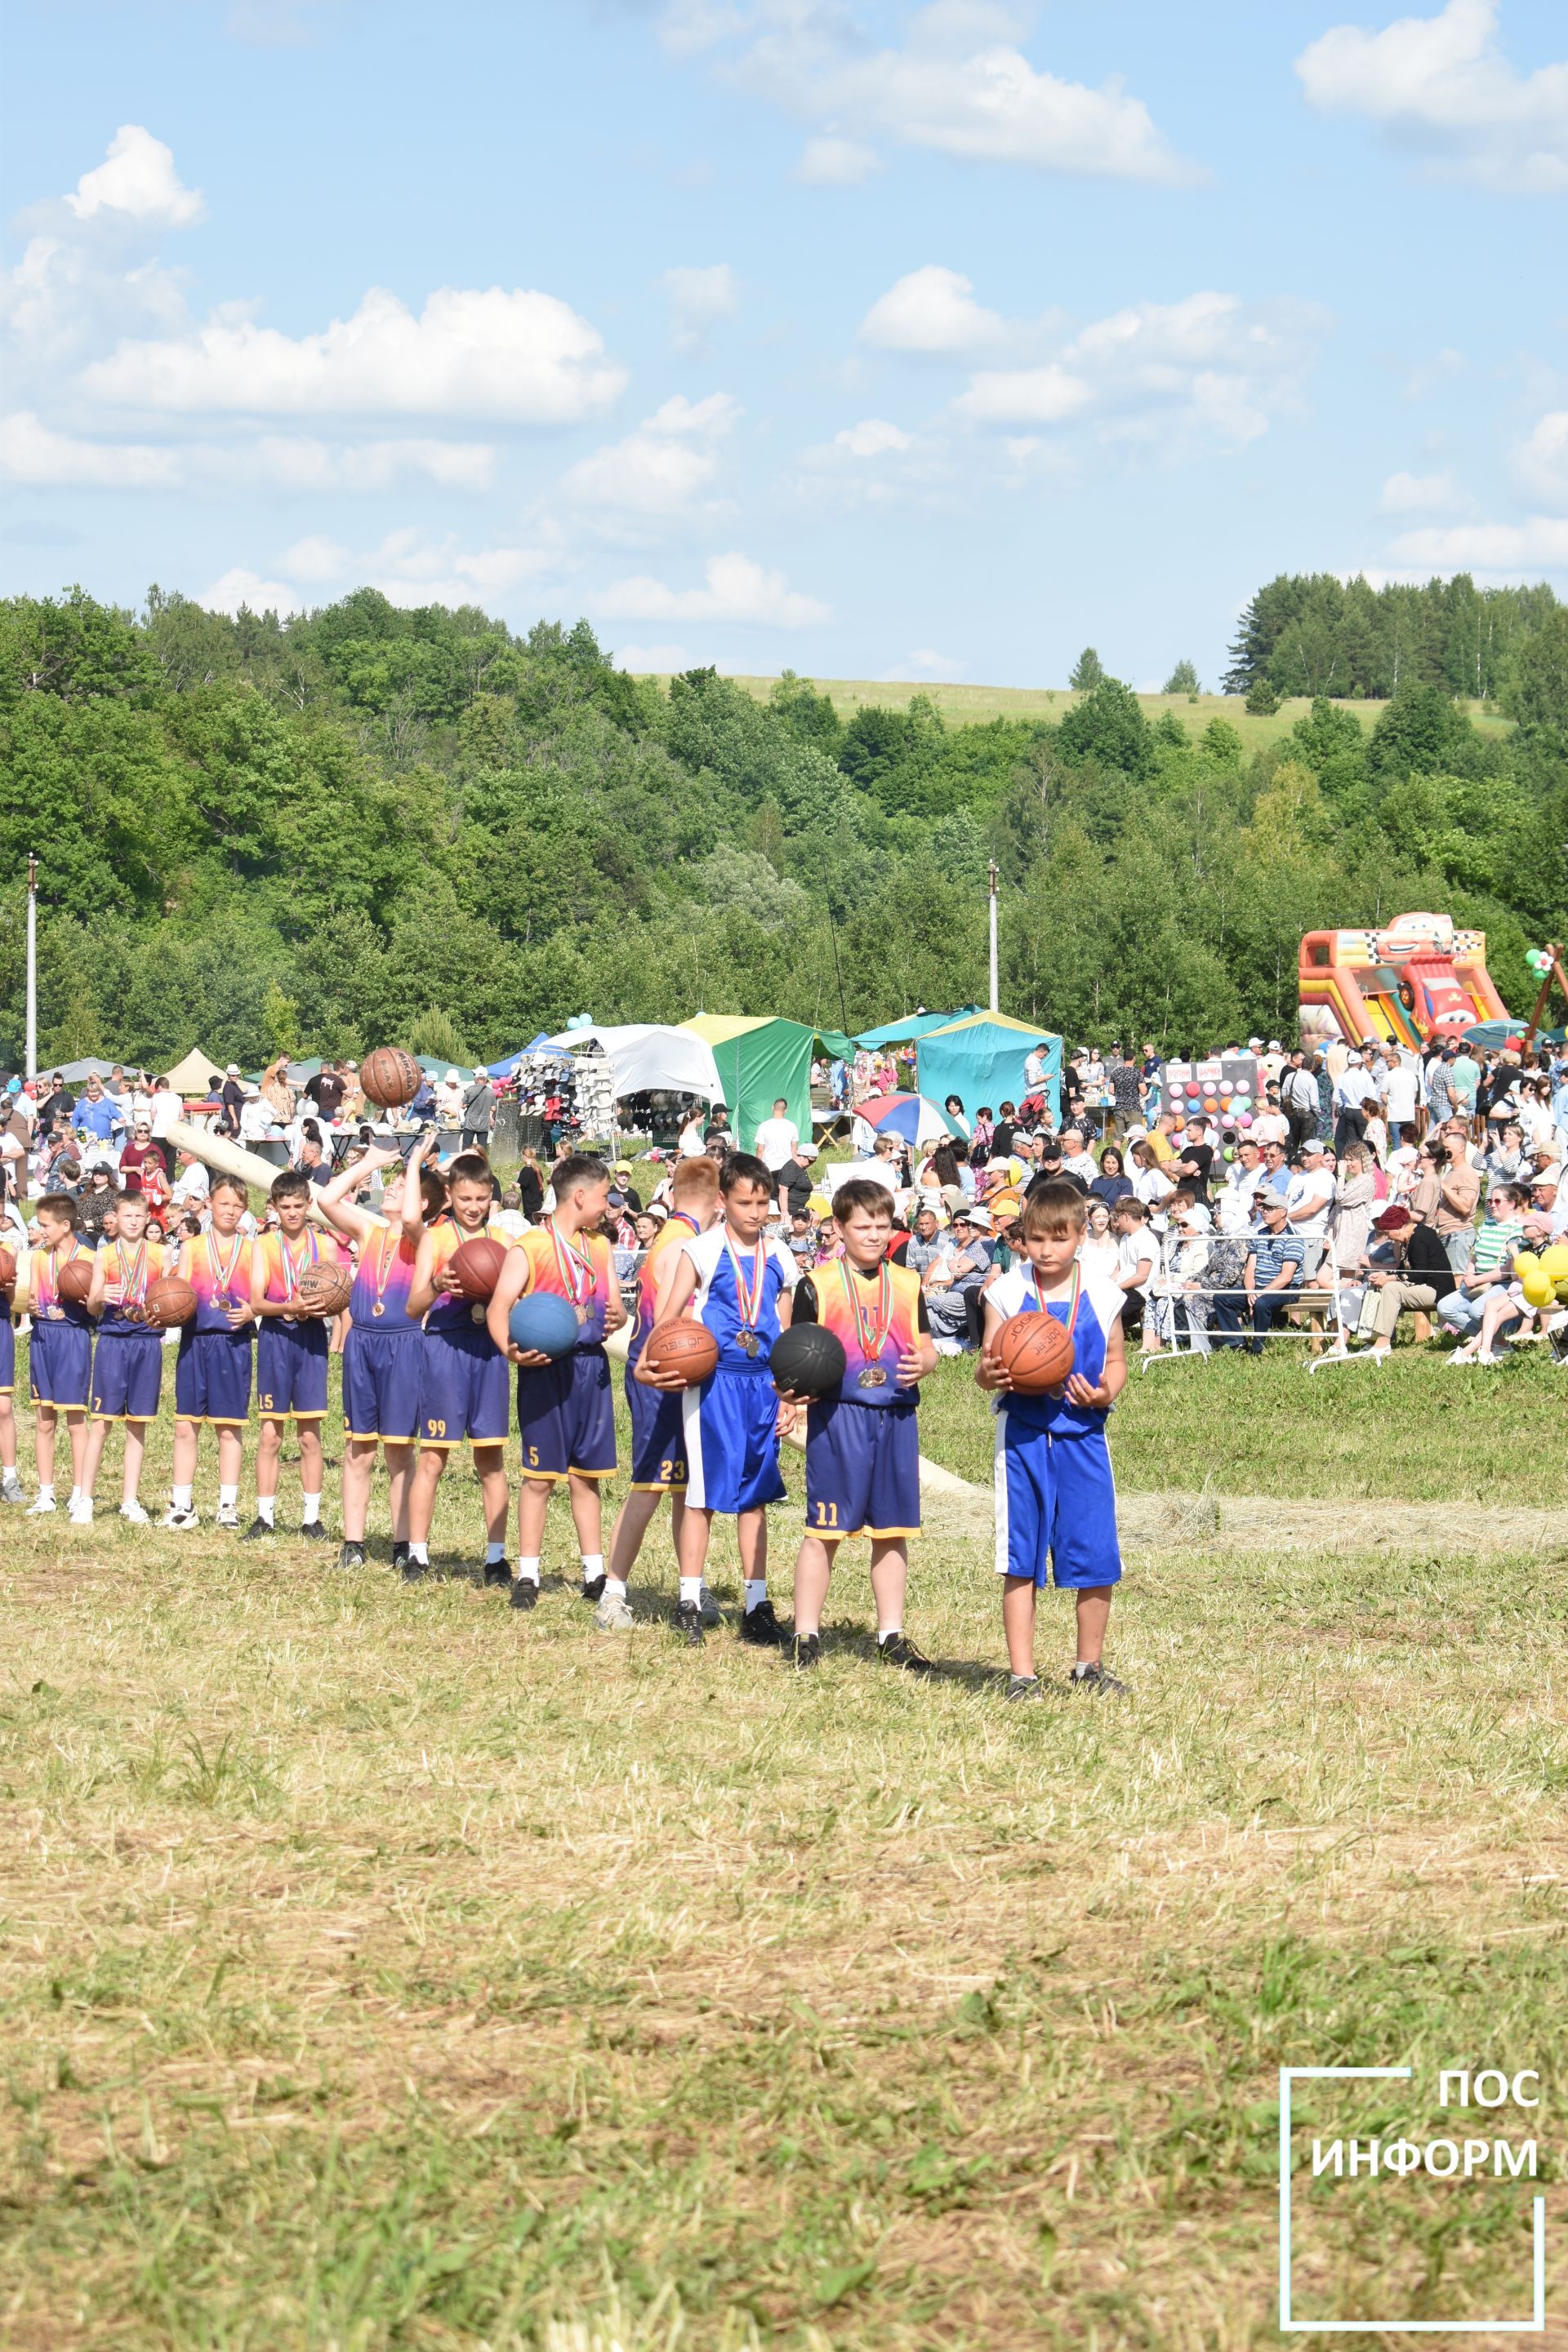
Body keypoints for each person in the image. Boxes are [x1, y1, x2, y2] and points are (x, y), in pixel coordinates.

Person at [636, 1151, 797, 1648]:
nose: (756, 1212)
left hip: (763, 1384)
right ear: (723, 1200)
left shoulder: (781, 1254)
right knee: (701, 1495)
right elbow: (669, 1315)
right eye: (745, 1202)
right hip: (713, 1382)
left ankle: (756, 1606)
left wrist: (789, 1392)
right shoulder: (701, 1250)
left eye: (763, 1203)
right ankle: (688, 1600)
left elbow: (785, 1330)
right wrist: (646, 1361)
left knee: (757, 1496)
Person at [978, 1182, 1128, 1701]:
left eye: (1058, 1239)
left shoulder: (1104, 1292)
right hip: (1023, 1435)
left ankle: (1089, 1666)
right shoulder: (1006, 1291)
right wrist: (990, 1375)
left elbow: (1116, 1360)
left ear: (1081, 1236)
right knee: (1020, 1556)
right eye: (1036, 1239)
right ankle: (1022, 1674)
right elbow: (986, 1365)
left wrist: (1106, 1391)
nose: (1046, 1250)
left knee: (1095, 1550)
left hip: (1083, 1433)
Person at [781, 1179, 937, 1672]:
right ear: (840, 1229)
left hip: (896, 1415)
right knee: (823, 1529)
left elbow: (927, 1345)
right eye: (863, 1226)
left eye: (882, 1226)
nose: (873, 1235)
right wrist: (790, 1396)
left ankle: (891, 1635)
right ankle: (806, 1634)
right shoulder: (816, 1284)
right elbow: (795, 1356)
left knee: (892, 1530)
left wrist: (926, 1363)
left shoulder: (908, 1283)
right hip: (838, 1417)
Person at [488, 1155, 626, 1611]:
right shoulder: (529, 1246)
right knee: (540, 1477)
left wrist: (618, 1314)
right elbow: (499, 1307)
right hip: (545, 1369)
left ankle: (593, 1572)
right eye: (604, 1197)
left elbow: (616, 1307)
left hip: (591, 1369)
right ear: (580, 1196)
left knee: (586, 1476)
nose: (609, 1206)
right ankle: (528, 1573)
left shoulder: (600, 1246)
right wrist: (510, 1350)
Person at [599, 1157, 724, 1633]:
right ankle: (612, 1592)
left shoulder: (672, 1233)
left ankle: (692, 1585)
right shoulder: (685, 1245)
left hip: (669, 1374)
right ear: (719, 1201)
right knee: (650, 1486)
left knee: (686, 1489)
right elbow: (680, 1328)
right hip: (661, 1375)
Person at [314, 1138, 439, 1570]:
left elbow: (411, 1217)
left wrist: (416, 1162)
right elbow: (327, 1198)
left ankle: (404, 1542)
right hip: (363, 1342)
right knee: (358, 1448)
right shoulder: (370, 1232)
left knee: (399, 1451)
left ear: (421, 1202)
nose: (392, 1189)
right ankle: (354, 1543)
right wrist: (367, 1164)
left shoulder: (423, 1238)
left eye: (402, 1187)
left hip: (404, 1344)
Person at [403, 1153, 519, 1581]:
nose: (474, 1206)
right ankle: (417, 1554)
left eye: (482, 1199)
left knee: (490, 1459)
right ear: (450, 1195)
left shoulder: (503, 1241)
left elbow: (520, 1301)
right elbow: (413, 1307)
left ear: (492, 1198)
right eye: (466, 1198)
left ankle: (495, 1558)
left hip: (488, 1350)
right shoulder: (435, 1238)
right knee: (432, 1458)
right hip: (445, 1349)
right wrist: (438, 1284)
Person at [243, 1172, 337, 1542]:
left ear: (309, 1205)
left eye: (299, 1206)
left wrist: (322, 1310)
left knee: (310, 1436)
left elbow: (337, 1299)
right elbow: (256, 1302)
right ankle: (264, 1517)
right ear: (274, 1208)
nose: (293, 1212)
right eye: (286, 1207)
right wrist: (289, 1307)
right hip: (276, 1337)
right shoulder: (264, 1245)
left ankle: (312, 1519)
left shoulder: (325, 1246)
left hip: (311, 1339)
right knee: (270, 1434)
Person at [164, 1173, 256, 1530]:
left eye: (237, 1205)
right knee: (186, 1426)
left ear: (244, 1209)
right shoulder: (192, 1247)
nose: (230, 1210)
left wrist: (253, 1310)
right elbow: (181, 1294)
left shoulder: (252, 1249)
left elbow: (260, 1296)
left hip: (233, 1344)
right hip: (196, 1341)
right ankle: (182, 1504)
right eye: (224, 1203)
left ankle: (228, 1506)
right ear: (209, 1205)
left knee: (229, 1429)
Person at [80, 1189, 167, 1523]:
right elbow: (92, 1307)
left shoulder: (161, 1254)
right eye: (127, 1215)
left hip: (147, 1341)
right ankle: (85, 1498)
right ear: (115, 1219)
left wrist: (163, 1313)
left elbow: (168, 1301)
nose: (132, 1221)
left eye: (138, 1216)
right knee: (101, 1422)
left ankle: (129, 1500)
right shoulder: (104, 1255)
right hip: (113, 1342)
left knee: (137, 1424)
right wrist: (100, 1295)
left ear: (147, 1219)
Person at [18, 1193, 95, 1518]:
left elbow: (96, 1308)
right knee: (44, 1419)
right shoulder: (39, 1257)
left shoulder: (90, 1258)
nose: (40, 1230)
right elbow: (32, 1298)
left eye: (45, 1225)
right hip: (43, 1336)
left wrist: (92, 1301)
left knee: (76, 1419)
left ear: (65, 1225)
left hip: (73, 1337)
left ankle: (79, 1492)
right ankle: (45, 1493)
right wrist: (31, 1306)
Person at [1342, 1203, 1455, 1361]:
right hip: (1421, 1286)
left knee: (1392, 1289)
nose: (1388, 1237)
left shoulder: (1421, 1236)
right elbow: (1403, 1270)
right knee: (1379, 1285)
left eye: (1388, 1232)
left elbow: (1419, 1274)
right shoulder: (1407, 1240)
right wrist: (1383, 1275)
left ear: (1399, 1227)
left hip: (1437, 1290)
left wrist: (1389, 1278)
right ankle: (1372, 1339)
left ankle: (1383, 1343)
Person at [1241, 1193, 1305, 1352]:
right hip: (1259, 1288)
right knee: (1222, 1299)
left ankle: (1257, 1349)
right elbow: (1250, 1269)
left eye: (1270, 1208)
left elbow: (1286, 1277)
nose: (1265, 1211)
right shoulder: (1260, 1234)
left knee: (1261, 1303)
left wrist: (1260, 1294)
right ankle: (1235, 1343)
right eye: (1264, 1208)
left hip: (1287, 1289)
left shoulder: (1293, 1237)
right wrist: (1250, 1292)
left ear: (1283, 1212)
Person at [753, 1096, 801, 1175]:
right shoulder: (792, 1126)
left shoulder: (764, 1126)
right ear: (785, 1110)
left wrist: (758, 1167)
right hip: (787, 1167)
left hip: (769, 1167)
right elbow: (794, 1149)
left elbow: (760, 1150)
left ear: (772, 1108)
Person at [461, 1071, 495, 1156]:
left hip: (470, 1122)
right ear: (485, 1080)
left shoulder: (470, 1089)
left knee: (467, 1146)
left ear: (476, 1079)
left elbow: (463, 1105)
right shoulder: (490, 1092)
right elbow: (494, 1108)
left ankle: (465, 1161)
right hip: (483, 1122)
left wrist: (466, 1105)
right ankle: (481, 1161)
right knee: (482, 1148)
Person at [1090, 1144, 1132, 1209]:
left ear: (1119, 1164)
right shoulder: (1096, 1182)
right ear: (1103, 1163)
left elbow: (1126, 1206)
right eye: (1108, 1162)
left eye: (1114, 1163)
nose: (1110, 1166)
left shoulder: (1125, 1181)